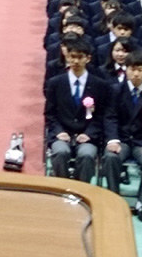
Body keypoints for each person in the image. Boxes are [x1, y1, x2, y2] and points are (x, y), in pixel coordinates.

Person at [45, 36, 109, 183]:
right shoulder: (55, 83)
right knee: (61, 151)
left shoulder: (99, 85)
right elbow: (50, 114)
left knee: (86, 155)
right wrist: (59, 131)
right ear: (67, 57)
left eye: (80, 57)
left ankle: (82, 190)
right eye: (72, 57)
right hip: (61, 134)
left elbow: (101, 115)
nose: (75, 61)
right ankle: (62, 188)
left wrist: (89, 134)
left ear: (88, 58)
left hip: (88, 136)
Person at [103, 49, 142, 208]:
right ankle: (114, 198)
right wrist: (113, 140)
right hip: (122, 140)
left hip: (140, 142)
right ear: (126, 70)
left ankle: (140, 201)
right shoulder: (115, 90)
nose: (137, 74)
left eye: (140, 70)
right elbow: (110, 117)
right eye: (133, 69)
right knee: (111, 157)